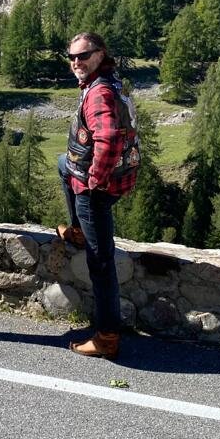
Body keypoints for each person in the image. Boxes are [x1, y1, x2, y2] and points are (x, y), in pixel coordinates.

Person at [57, 32, 139, 359]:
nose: (76, 62)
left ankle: (107, 337)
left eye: (83, 55)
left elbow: (108, 137)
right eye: (72, 57)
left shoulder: (98, 92)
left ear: (100, 54)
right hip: (114, 175)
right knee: (62, 163)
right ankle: (77, 230)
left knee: (101, 263)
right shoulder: (109, 82)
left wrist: (94, 180)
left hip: (95, 190)